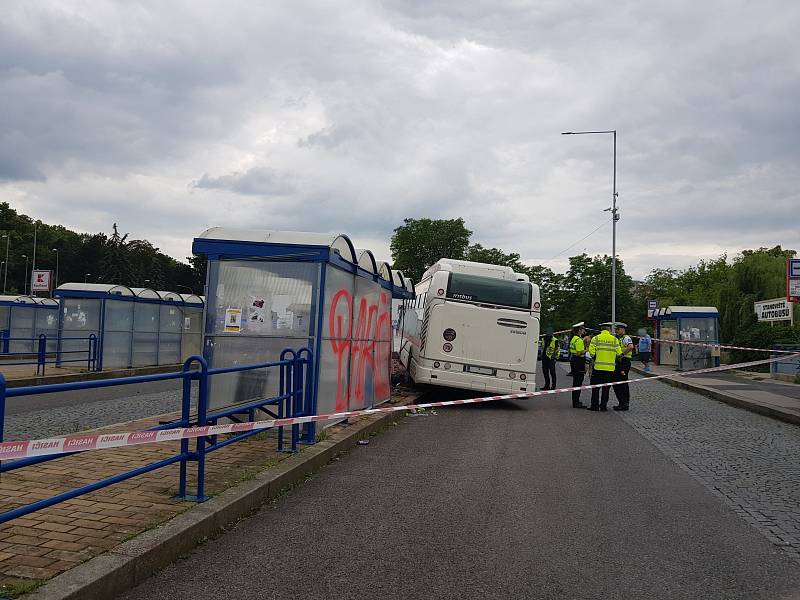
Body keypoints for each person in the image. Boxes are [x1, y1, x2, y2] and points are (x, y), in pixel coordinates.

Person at [587, 322, 622, 411]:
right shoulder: (614, 340)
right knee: (606, 389)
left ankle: (594, 406)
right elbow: (619, 353)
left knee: (595, 388)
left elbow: (591, 352)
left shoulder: (596, 338)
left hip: (598, 368)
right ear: (609, 330)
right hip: (610, 369)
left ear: (601, 329)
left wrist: (596, 356)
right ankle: (603, 406)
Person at [613, 322, 635, 411]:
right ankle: (621, 402)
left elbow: (630, 347)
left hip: (624, 362)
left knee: (622, 382)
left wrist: (621, 354)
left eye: (618, 329)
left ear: (623, 329)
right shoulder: (619, 338)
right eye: (616, 329)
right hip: (619, 362)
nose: (617, 331)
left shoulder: (626, 338)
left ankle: (624, 403)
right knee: (617, 382)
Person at [568, 322, 587, 408]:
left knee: (576, 381)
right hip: (579, 361)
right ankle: (576, 402)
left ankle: (575, 401)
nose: (584, 331)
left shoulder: (573, 338)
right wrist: (586, 350)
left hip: (574, 360)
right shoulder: (579, 340)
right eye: (583, 329)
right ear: (579, 330)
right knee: (578, 382)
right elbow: (579, 353)